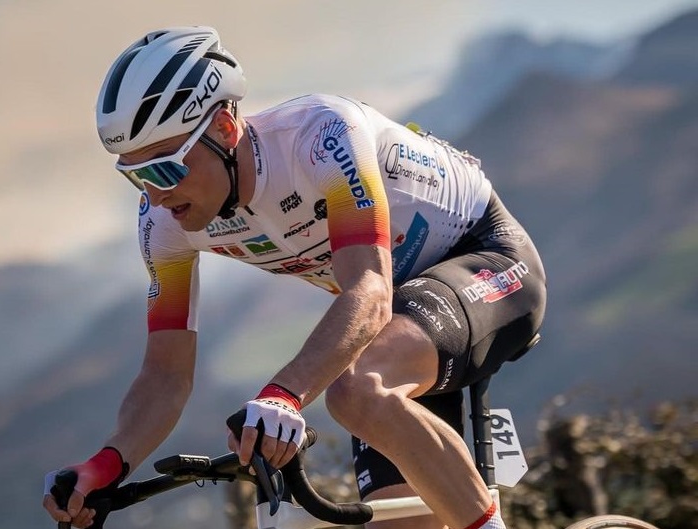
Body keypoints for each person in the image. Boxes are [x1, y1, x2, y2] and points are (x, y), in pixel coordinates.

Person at [43, 26, 546, 529]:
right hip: (399, 325)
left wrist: (282, 395)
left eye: (165, 170)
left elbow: (370, 292)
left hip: (484, 261)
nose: (155, 195)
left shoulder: (319, 139)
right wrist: (105, 465)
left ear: (223, 127)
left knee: (356, 387)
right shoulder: (162, 224)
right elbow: (166, 375)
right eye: (136, 176)